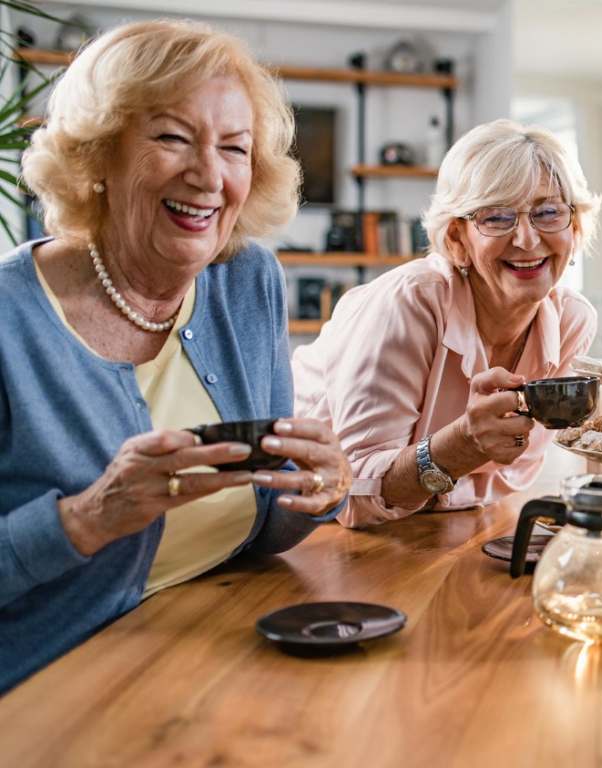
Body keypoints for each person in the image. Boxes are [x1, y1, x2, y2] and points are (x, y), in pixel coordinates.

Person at [1, 21, 352, 694]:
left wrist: (315, 494)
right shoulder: (9, 318)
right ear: (98, 153)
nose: (209, 175)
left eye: (234, 148)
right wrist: (88, 518)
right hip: (44, 686)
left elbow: (259, 523)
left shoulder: (246, 281)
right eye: (171, 137)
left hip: (211, 652)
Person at [292, 120, 600, 527]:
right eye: (497, 217)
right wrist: (461, 447)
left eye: (548, 213)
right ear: (457, 239)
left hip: (439, 525)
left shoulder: (572, 321)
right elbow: (351, 497)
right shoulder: (409, 303)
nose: (527, 239)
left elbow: (506, 476)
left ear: (574, 228)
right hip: (296, 519)